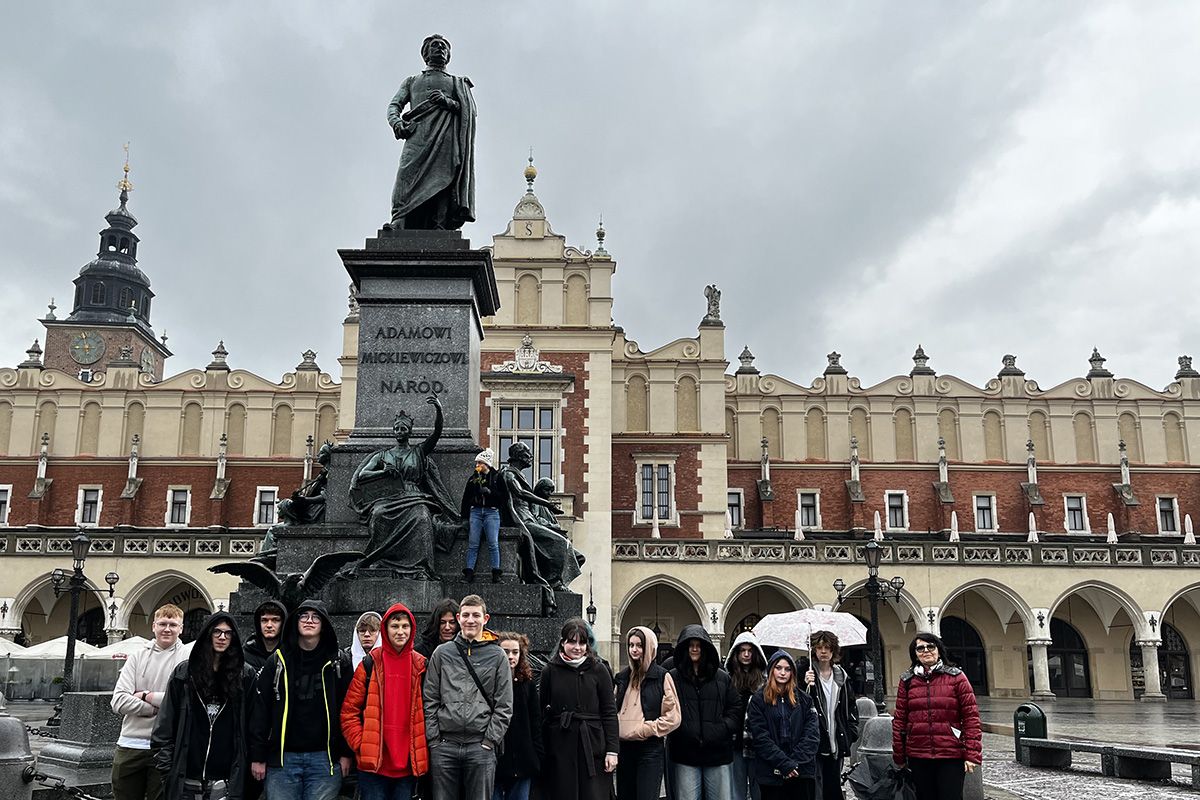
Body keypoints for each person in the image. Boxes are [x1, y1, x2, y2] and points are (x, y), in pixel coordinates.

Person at [348, 397, 462, 581]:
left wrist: (439, 411)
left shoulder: (418, 451)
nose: (400, 432)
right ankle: (381, 560)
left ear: (409, 431)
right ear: (393, 431)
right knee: (378, 515)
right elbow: (363, 475)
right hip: (389, 497)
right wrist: (382, 472)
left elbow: (436, 433)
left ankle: (419, 567)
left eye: (403, 429)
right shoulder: (383, 455)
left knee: (423, 517)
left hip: (413, 495)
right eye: (397, 429)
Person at [249, 599, 352, 800]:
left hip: (325, 758)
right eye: (304, 616)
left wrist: (346, 753)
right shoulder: (277, 661)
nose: (309, 621)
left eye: (316, 617)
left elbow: (347, 710)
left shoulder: (338, 662)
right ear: (295, 622)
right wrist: (258, 756)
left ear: (324, 625)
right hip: (283, 758)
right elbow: (260, 711)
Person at [151, 612, 256, 800]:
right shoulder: (184, 672)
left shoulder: (245, 675)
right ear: (207, 634)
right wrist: (167, 770)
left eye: (228, 633)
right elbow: (165, 724)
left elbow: (252, 726)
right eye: (217, 632)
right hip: (186, 777)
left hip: (225, 780)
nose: (222, 637)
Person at [423, 594, 513, 800]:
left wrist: (490, 740)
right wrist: (434, 739)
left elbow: (504, 705)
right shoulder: (442, 653)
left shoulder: (497, 655)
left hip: (480, 746)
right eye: (465, 615)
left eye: (475, 615)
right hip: (445, 745)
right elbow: (430, 698)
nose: (470, 620)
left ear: (485, 618)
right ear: (458, 618)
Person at [385, 34, 477, 231]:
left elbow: (470, 112)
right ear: (425, 53)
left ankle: (439, 224)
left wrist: (447, 102)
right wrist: (396, 122)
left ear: (449, 55)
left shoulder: (456, 83)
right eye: (435, 46)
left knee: (443, 177)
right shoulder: (412, 81)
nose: (440, 49)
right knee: (405, 175)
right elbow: (394, 105)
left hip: (445, 138)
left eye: (443, 47)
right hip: (417, 137)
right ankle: (399, 220)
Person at [341, 602, 428, 800]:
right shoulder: (371, 662)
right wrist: (361, 743)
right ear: (385, 630)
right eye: (394, 626)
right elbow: (349, 711)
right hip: (374, 766)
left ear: (412, 629)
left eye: (405, 626)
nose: (400, 632)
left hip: (407, 765)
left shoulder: (421, 664)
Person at [111, 603, 192, 800]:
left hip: (167, 746)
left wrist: (145, 695)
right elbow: (119, 701)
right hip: (131, 743)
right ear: (153, 626)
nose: (167, 629)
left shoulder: (189, 658)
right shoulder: (137, 657)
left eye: (173, 625)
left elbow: (186, 701)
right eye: (162, 623)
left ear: (181, 628)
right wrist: (159, 709)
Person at [891, 633, 981, 800]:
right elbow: (900, 720)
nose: (926, 651)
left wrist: (971, 754)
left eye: (930, 647)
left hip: (950, 753)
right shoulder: (907, 681)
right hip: (918, 753)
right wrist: (899, 755)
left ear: (939, 650)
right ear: (915, 654)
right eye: (920, 648)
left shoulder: (956, 678)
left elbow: (971, 717)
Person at [539, 619, 619, 800]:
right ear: (562, 643)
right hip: (560, 746)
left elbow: (609, 712)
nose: (577, 647)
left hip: (592, 744)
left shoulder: (599, 669)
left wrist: (612, 751)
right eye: (572, 641)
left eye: (582, 642)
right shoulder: (550, 671)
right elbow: (542, 710)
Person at [667, 625, 743, 800]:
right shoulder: (673, 678)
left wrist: (721, 729)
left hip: (718, 752)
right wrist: (683, 730)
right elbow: (668, 710)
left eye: (698, 645)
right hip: (685, 753)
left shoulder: (722, 678)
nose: (695, 649)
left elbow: (735, 708)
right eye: (691, 645)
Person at [615, 626, 680, 800]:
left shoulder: (661, 677)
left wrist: (646, 729)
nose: (634, 650)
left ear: (649, 647)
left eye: (639, 645)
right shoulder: (621, 678)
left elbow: (673, 717)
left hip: (649, 751)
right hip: (623, 749)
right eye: (631, 645)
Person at [747, 651, 819, 800]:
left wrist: (795, 764)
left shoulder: (804, 700)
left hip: (801, 772)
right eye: (778, 668)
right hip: (771, 773)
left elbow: (811, 735)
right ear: (771, 669)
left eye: (787, 669)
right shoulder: (758, 700)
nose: (782, 673)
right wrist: (784, 764)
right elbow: (760, 737)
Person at [803, 631, 858, 800]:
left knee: (832, 787)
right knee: (815, 788)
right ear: (814, 651)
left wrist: (850, 733)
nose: (823, 651)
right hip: (815, 742)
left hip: (836, 740)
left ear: (833, 651)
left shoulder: (842, 677)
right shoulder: (806, 674)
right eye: (819, 648)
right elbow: (798, 707)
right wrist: (804, 686)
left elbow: (851, 708)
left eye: (827, 647)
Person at [493, 632, 542, 800]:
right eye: (505, 651)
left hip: (523, 761)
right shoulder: (489, 682)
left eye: (515, 652)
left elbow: (535, 723)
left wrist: (537, 756)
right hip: (496, 761)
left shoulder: (527, 684)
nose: (510, 656)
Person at [723, 632, 767, 800]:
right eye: (742, 650)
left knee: (759, 790)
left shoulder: (764, 681)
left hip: (758, 743)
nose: (746, 654)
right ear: (736, 653)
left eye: (750, 650)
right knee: (736, 791)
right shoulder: (728, 680)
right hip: (735, 743)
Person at [461, 447, 503, 584]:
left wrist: (490, 493)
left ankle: (496, 573)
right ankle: (469, 572)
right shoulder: (473, 479)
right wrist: (464, 517)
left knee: (493, 543)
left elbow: (504, 497)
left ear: (487, 464)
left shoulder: (497, 478)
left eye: (480, 463)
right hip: (476, 512)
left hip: (491, 512)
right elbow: (466, 498)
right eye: (477, 463)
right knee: (473, 544)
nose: (477, 466)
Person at [243, 600, 287, 674]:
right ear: (258, 623)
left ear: (282, 623)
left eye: (275, 620)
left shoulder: (289, 654)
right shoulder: (246, 654)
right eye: (264, 620)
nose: (269, 625)